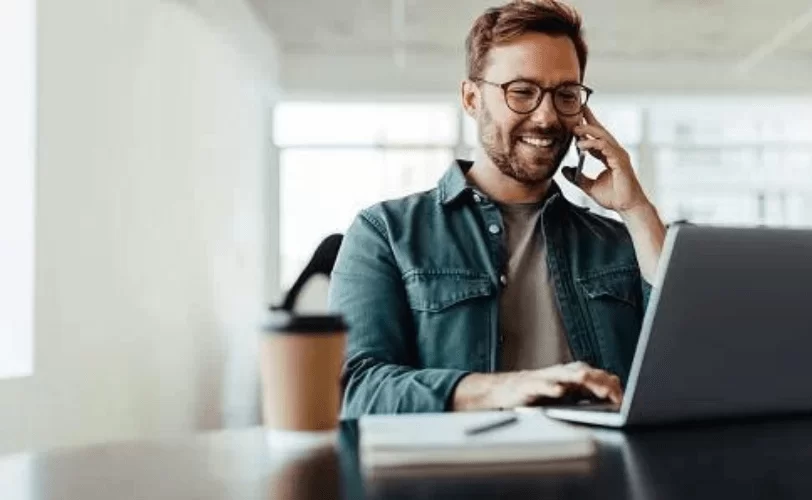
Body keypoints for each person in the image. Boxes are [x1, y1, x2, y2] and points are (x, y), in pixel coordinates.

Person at [329, 0, 666, 417]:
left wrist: (635, 209)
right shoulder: (385, 233)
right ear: (472, 98)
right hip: (459, 478)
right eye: (522, 92)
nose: (546, 117)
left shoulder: (618, 242)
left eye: (565, 95)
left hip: (602, 476)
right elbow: (352, 389)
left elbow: (688, 366)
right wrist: (504, 389)